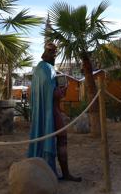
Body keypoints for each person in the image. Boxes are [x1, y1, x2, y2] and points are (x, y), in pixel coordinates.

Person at [27, 43, 80, 181]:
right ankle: (64, 173)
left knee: (59, 137)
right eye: (53, 53)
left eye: (55, 53)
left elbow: (44, 90)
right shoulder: (47, 68)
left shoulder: (40, 69)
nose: (55, 56)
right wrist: (63, 90)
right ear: (48, 53)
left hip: (48, 111)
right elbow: (52, 93)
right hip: (51, 111)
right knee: (62, 137)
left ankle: (58, 172)